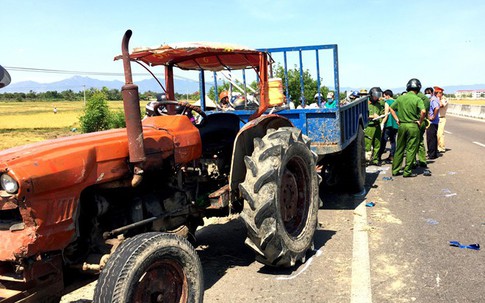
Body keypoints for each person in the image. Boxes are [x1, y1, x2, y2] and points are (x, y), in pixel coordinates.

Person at [390, 78, 426, 177]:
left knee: (400, 148)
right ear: (418, 88)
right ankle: (407, 171)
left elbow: (391, 108)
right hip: (413, 125)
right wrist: (420, 121)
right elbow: (423, 111)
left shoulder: (401, 98)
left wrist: (397, 119)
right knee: (411, 149)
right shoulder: (417, 99)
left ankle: (395, 170)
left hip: (402, 125)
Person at [377, 89, 398, 163]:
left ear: (388, 95)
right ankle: (392, 156)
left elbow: (386, 114)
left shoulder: (387, 102)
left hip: (388, 124)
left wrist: (382, 123)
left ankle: (378, 156)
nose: (384, 97)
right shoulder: (396, 102)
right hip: (395, 124)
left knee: (384, 140)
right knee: (393, 141)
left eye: (384, 96)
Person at [365, 87, 384, 165]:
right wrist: (372, 116)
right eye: (375, 96)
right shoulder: (366, 104)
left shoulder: (379, 104)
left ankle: (375, 159)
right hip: (369, 126)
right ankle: (366, 160)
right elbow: (362, 115)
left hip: (377, 126)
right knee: (367, 144)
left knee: (377, 144)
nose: (377, 97)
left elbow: (382, 112)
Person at [415, 88, 431, 168]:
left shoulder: (413, 97)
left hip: (415, 121)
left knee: (412, 142)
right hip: (423, 121)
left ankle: (412, 161)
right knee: (420, 141)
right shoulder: (426, 99)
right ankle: (422, 160)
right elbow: (426, 112)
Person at [426, 87, 441, 159]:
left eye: (428, 93)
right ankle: (434, 153)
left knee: (431, 139)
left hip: (432, 122)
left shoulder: (433, 100)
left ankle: (431, 154)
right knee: (433, 138)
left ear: (432, 93)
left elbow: (437, 108)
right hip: (433, 122)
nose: (427, 95)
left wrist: (433, 117)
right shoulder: (433, 99)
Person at [436, 86, 448, 153]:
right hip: (436, 118)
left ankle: (441, 147)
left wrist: (438, 98)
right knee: (435, 134)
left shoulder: (444, 99)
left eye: (438, 93)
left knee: (440, 134)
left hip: (441, 118)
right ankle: (437, 147)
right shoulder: (435, 99)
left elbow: (441, 105)